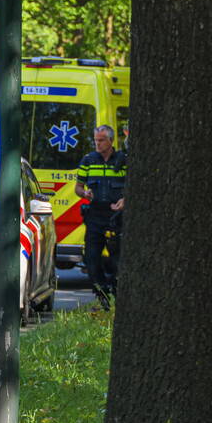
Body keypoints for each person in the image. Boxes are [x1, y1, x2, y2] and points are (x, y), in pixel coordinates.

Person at [75, 125, 126, 311]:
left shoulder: (123, 161)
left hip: (117, 217)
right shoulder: (88, 160)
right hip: (95, 216)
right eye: (96, 140)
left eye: (101, 140)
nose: (97, 143)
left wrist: (124, 200)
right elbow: (78, 187)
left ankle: (116, 292)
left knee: (117, 260)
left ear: (111, 141)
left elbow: (132, 186)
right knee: (91, 259)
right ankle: (101, 293)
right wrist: (85, 193)